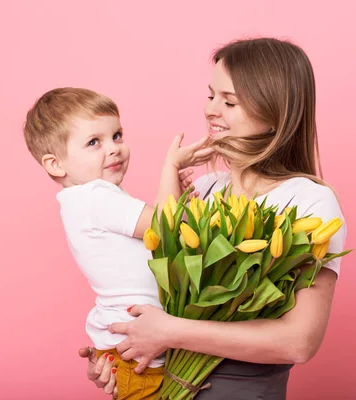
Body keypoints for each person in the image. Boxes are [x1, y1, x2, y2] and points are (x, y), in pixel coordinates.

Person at [79, 37, 348, 400]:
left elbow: (298, 342)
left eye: (229, 101)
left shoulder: (308, 201)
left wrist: (170, 331)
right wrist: (118, 356)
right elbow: (151, 297)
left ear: (275, 114)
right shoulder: (204, 190)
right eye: (210, 96)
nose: (211, 111)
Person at [23, 87, 213, 399]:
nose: (114, 149)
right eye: (94, 142)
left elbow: (157, 240)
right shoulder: (95, 197)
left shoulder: (85, 200)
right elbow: (164, 228)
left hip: (133, 344)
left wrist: (173, 194)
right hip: (137, 346)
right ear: (56, 164)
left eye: (117, 136)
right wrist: (171, 167)